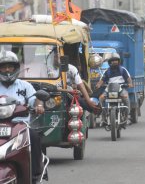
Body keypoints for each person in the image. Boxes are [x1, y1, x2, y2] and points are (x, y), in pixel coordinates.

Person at [0, 51, 45, 181]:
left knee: (34, 137)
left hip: (19, 124)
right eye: (3, 66)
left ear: (16, 68)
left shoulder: (25, 86)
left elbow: (35, 99)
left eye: (10, 66)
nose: (7, 70)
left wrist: (39, 106)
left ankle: (35, 174)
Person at [47, 49, 101, 114]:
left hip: (68, 95)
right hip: (51, 94)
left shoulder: (71, 68)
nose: (57, 59)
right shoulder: (47, 68)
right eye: (55, 56)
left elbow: (80, 85)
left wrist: (89, 101)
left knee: (80, 105)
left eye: (59, 56)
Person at [96, 53, 133, 122]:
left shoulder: (123, 70)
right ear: (110, 62)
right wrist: (98, 85)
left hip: (121, 88)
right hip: (109, 88)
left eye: (116, 60)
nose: (114, 62)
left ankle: (126, 114)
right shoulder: (107, 71)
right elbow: (102, 80)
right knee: (101, 98)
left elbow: (129, 79)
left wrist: (130, 84)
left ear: (119, 61)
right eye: (113, 61)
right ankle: (103, 114)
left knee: (126, 97)